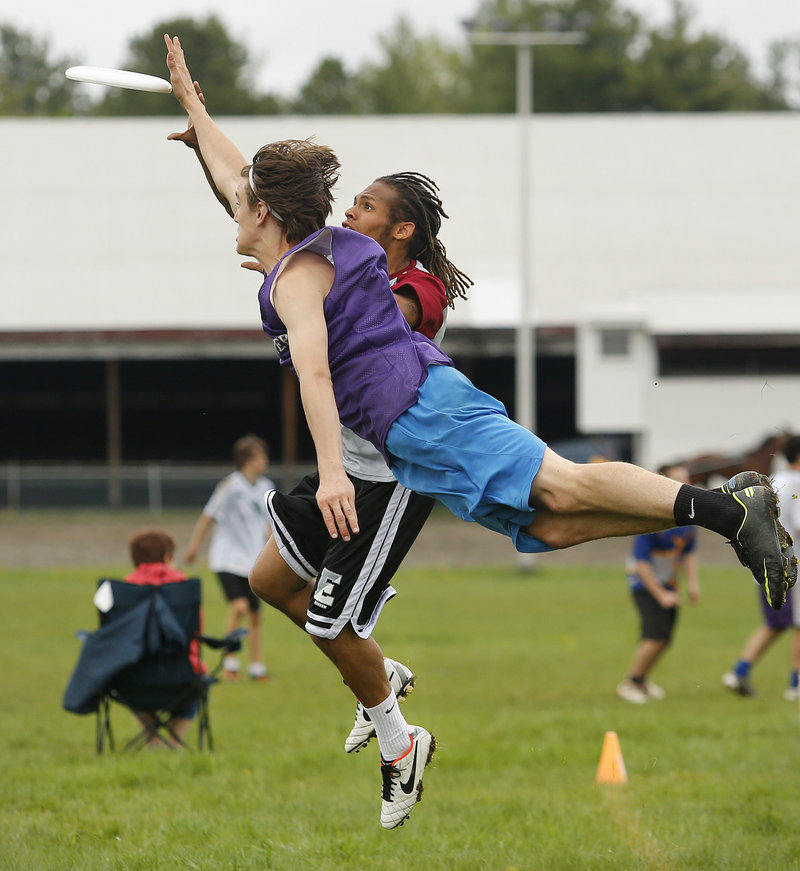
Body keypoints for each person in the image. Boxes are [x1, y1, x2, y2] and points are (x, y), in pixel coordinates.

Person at [163, 33, 796, 827]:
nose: (232, 200)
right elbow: (234, 173)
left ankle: (735, 514)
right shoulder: (310, 243)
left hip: (424, 413)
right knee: (551, 525)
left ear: (264, 215)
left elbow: (318, 378)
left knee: (560, 484)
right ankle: (724, 511)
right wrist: (194, 106)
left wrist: (330, 470)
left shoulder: (300, 278)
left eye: (243, 199)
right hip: (414, 431)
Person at [165, 81, 471, 771]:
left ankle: (396, 731)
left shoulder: (409, 285)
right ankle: (377, 672)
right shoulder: (327, 258)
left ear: (399, 231)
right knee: (268, 579)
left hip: (389, 467)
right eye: (349, 202)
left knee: (334, 622)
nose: (350, 211)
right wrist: (197, 114)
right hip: (347, 459)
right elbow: (241, 185)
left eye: (366, 207)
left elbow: (352, 349)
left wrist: (292, 275)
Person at [184, 434, 274, 681]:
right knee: (240, 606)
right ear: (246, 459)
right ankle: (230, 661)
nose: (264, 460)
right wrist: (194, 546)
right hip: (226, 559)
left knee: (256, 615)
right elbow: (208, 516)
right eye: (260, 456)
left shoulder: (266, 487)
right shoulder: (230, 486)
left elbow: (269, 525)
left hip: (252, 561)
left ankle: (256, 668)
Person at [722, 436, 800, 700]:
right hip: (790, 568)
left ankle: (739, 672)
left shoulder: (775, 480)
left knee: (776, 624)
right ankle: (795, 685)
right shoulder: (797, 484)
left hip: (766, 564)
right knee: (792, 626)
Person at [616, 464, 700, 704]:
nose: (684, 485)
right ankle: (629, 683)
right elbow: (641, 564)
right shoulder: (651, 519)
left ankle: (642, 680)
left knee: (665, 637)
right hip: (645, 584)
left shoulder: (687, 519)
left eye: (686, 479)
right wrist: (661, 594)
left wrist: (693, 583)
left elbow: (689, 554)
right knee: (654, 635)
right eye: (677, 480)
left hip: (668, 584)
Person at [125, 529, 204, 747]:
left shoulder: (124, 588)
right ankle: (175, 743)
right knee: (197, 684)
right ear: (168, 558)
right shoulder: (184, 587)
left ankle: (152, 739)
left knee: (131, 682)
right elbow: (197, 628)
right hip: (182, 677)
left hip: (134, 679)